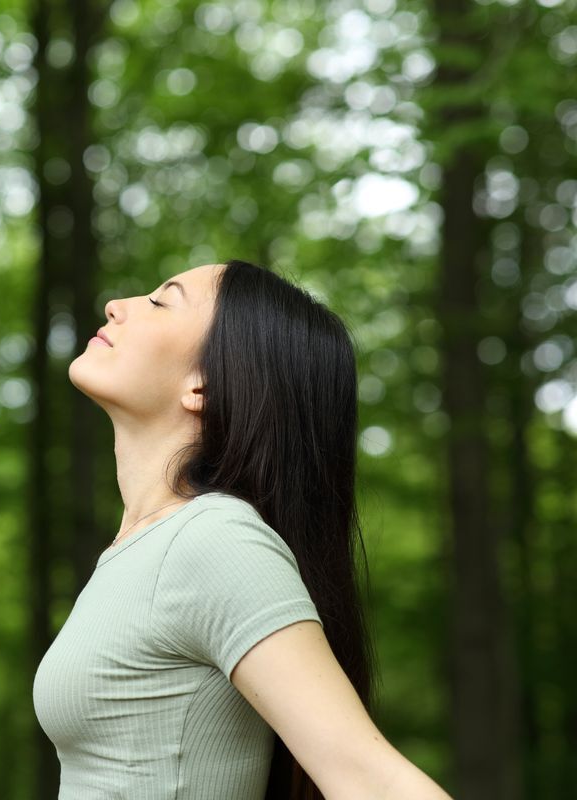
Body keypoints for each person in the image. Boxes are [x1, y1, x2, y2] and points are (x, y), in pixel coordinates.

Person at [31, 260, 452, 799]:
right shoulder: (140, 548)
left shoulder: (212, 540)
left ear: (202, 385)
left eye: (162, 301)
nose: (117, 305)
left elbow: (369, 779)